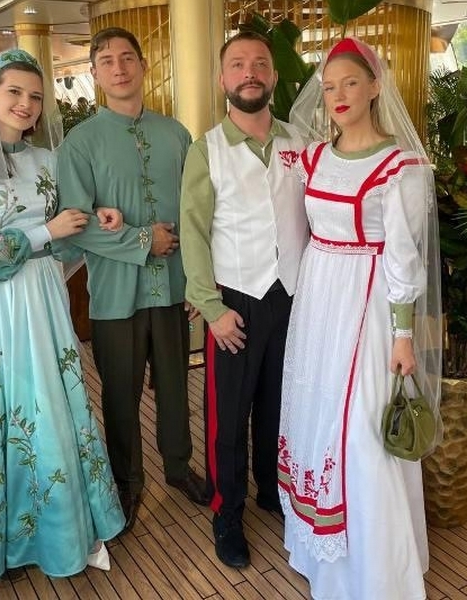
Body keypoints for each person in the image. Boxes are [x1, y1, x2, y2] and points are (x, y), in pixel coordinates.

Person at [0, 48, 125, 580]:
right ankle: (0, 541)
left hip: (44, 296)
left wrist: (94, 218)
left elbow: (67, 230)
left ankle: (61, 530)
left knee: (51, 404)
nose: (26, 104)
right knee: (0, 408)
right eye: (14, 91)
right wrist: (43, 233)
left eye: (35, 95)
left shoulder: (45, 161)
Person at [277, 38, 442, 599]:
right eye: (329, 87)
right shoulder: (312, 159)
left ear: (375, 86)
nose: (338, 95)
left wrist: (403, 335)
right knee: (316, 410)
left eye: (350, 82)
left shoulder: (401, 167)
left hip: (367, 306)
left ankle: (372, 572)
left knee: (362, 426)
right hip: (319, 299)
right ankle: (319, 553)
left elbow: (403, 257)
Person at [57, 27, 209, 532]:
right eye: (106, 61)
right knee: (120, 395)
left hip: (173, 290)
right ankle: (126, 481)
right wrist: (144, 240)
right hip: (114, 295)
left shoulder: (176, 135)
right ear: (94, 74)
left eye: (127, 58)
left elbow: (195, 214)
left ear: (144, 66)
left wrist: (197, 280)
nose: (119, 68)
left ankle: (178, 467)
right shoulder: (80, 143)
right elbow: (75, 225)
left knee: (175, 384)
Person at [179, 31, 308, 569]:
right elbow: (193, 233)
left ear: (273, 76)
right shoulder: (205, 149)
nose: (249, 72)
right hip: (235, 299)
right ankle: (226, 510)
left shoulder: (300, 141)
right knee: (227, 417)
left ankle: (271, 491)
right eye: (237, 64)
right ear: (223, 80)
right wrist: (211, 309)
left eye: (259, 63)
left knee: (281, 406)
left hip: (292, 296)